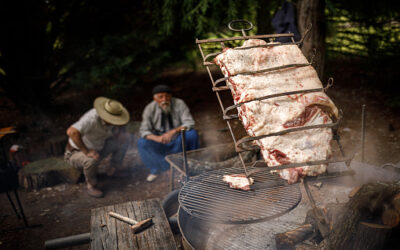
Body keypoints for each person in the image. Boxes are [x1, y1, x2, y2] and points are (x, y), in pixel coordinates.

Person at [64, 97, 130, 198]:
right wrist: (86, 151)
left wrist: (121, 133)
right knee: (91, 160)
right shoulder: (91, 119)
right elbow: (71, 132)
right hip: (76, 152)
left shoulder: (114, 116)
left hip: (99, 147)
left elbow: (122, 125)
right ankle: (91, 185)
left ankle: (113, 169)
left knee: (124, 141)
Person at [138, 84, 199, 182]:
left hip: (177, 136)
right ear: (155, 99)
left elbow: (189, 122)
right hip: (159, 138)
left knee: (192, 134)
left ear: (171, 96)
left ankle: (190, 165)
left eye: (167, 96)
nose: (164, 99)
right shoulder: (149, 108)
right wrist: (157, 138)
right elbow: (144, 130)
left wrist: (172, 132)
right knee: (142, 143)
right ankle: (159, 169)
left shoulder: (179, 103)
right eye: (160, 97)